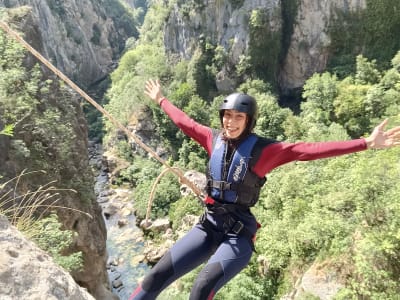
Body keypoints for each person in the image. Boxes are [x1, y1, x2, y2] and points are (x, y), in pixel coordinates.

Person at [129, 79, 400, 300]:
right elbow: (185, 123)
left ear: (248, 121)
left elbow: (308, 150)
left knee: (200, 289)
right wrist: (161, 100)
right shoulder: (213, 139)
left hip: (237, 237)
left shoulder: (264, 151)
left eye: (238, 117)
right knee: (155, 276)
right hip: (208, 226)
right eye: (227, 116)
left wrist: (365, 142)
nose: (230, 122)